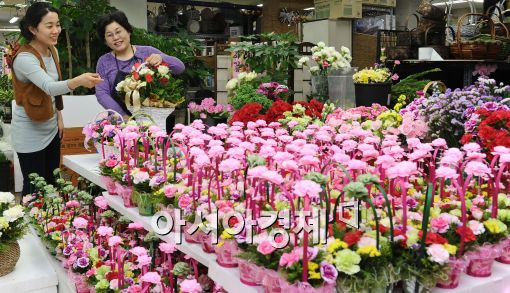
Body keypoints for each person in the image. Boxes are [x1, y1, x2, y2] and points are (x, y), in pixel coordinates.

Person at [11, 2, 103, 196]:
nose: (56, 30)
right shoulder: (25, 58)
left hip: (51, 127)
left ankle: (49, 224)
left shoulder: (52, 51)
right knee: (34, 186)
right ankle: (31, 224)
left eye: (58, 24)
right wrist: (79, 80)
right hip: (30, 131)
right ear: (33, 29)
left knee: (51, 182)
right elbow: (50, 87)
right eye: (49, 26)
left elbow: (54, 92)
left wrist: (59, 116)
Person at [95, 10, 185, 117]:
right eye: (109, 35)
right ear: (105, 41)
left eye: (118, 32)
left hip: (152, 119)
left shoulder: (147, 52)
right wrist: (123, 117)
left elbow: (180, 68)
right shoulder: (104, 62)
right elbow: (102, 94)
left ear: (128, 31)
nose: (115, 37)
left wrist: (162, 58)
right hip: (121, 121)